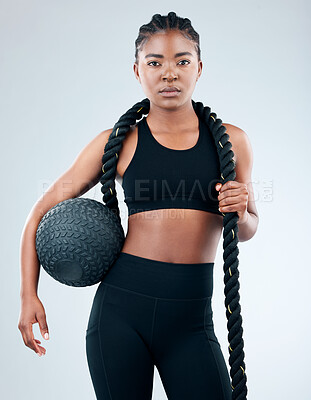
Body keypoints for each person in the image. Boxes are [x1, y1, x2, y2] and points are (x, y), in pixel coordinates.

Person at [18, 11, 259, 400]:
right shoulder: (119, 142)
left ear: (200, 67)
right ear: (137, 70)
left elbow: (246, 230)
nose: (169, 73)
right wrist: (29, 295)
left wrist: (242, 210)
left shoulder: (232, 141)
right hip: (120, 314)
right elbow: (38, 213)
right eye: (155, 62)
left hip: (192, 320)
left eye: (182, 61)